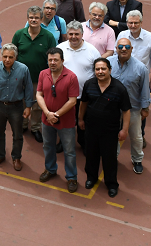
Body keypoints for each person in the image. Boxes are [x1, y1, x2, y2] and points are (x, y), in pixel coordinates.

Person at [79, 58, 132, 197]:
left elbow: (126, 111)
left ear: (110, 70)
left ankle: (111, 184)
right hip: (91, 128)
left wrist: (124, 130)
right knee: (91, 155)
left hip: (110, 131)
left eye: (103, 69)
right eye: (97, 69)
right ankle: (91, 178)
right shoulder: (89, 84)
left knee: (109, 159)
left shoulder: (119, 88)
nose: (100, 71)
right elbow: (84, 103)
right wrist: (80, 119)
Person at [0, 43, 34, 171]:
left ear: (15, 57)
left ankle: (16, 157)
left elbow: (28, 89)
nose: (7, 60)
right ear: (1, 56)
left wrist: (28, 107)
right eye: (5, 56)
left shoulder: (23, 69)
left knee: (18, 135)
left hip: (16, 107)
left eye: (10, 57)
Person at [36, 48, 80, 193]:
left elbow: (72, 101)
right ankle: (50, 169)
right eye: (50, 60)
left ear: (62, 60)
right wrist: (47, 113)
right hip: (47, 120)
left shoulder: (71, 77)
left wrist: (56, 115)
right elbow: (39, 94)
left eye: (56, 60)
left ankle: (72, 177)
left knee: (69, 151)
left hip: (66, 122)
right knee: (48, 146)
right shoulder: (43, 74)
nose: (53, 62)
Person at [11, 6, 57, 142]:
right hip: (21, 78)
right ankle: (23, 124)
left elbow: (53, 58)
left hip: (40, 79)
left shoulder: (48, 37)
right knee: (21, 102)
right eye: (31, 17)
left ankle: (35, 127)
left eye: (36, 17)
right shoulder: (19, 34)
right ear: (27, 18)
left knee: (37, 105)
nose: (34, 20)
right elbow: (13, 54)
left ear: (41, 19)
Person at [117, 9, 151, 146]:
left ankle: (140, 134)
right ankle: (119, 131)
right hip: (122, 76)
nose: (133, 25)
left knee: (140, 106)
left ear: (141, 22)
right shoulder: (122, 35)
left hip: (140, 79)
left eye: (136, 23)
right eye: (130, 22)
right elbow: (116, 55)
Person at [109, 37, 151, 174]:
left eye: (127, 47)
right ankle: (113, 157)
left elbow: (144, 90)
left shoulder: (141, 68)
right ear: (116, 49)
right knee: (112, 135)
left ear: (131, 49)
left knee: (136, 136)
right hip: (112, 109)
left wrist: (145, 108)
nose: (123, 49)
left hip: (133, 108)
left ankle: (137, 159)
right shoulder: (108, 63)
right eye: (120, 47)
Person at [57, 21, 101, 149]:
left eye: (76, 34)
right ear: (67, 34)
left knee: (84, 121)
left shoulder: (92, 51)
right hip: (65, 95)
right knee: (65, 120)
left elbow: (98, 72)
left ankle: (83, 142)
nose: (73, 37)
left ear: (82, 34)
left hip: (85, 95)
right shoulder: (60, 49)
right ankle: (63, 142)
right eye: (71, 34)